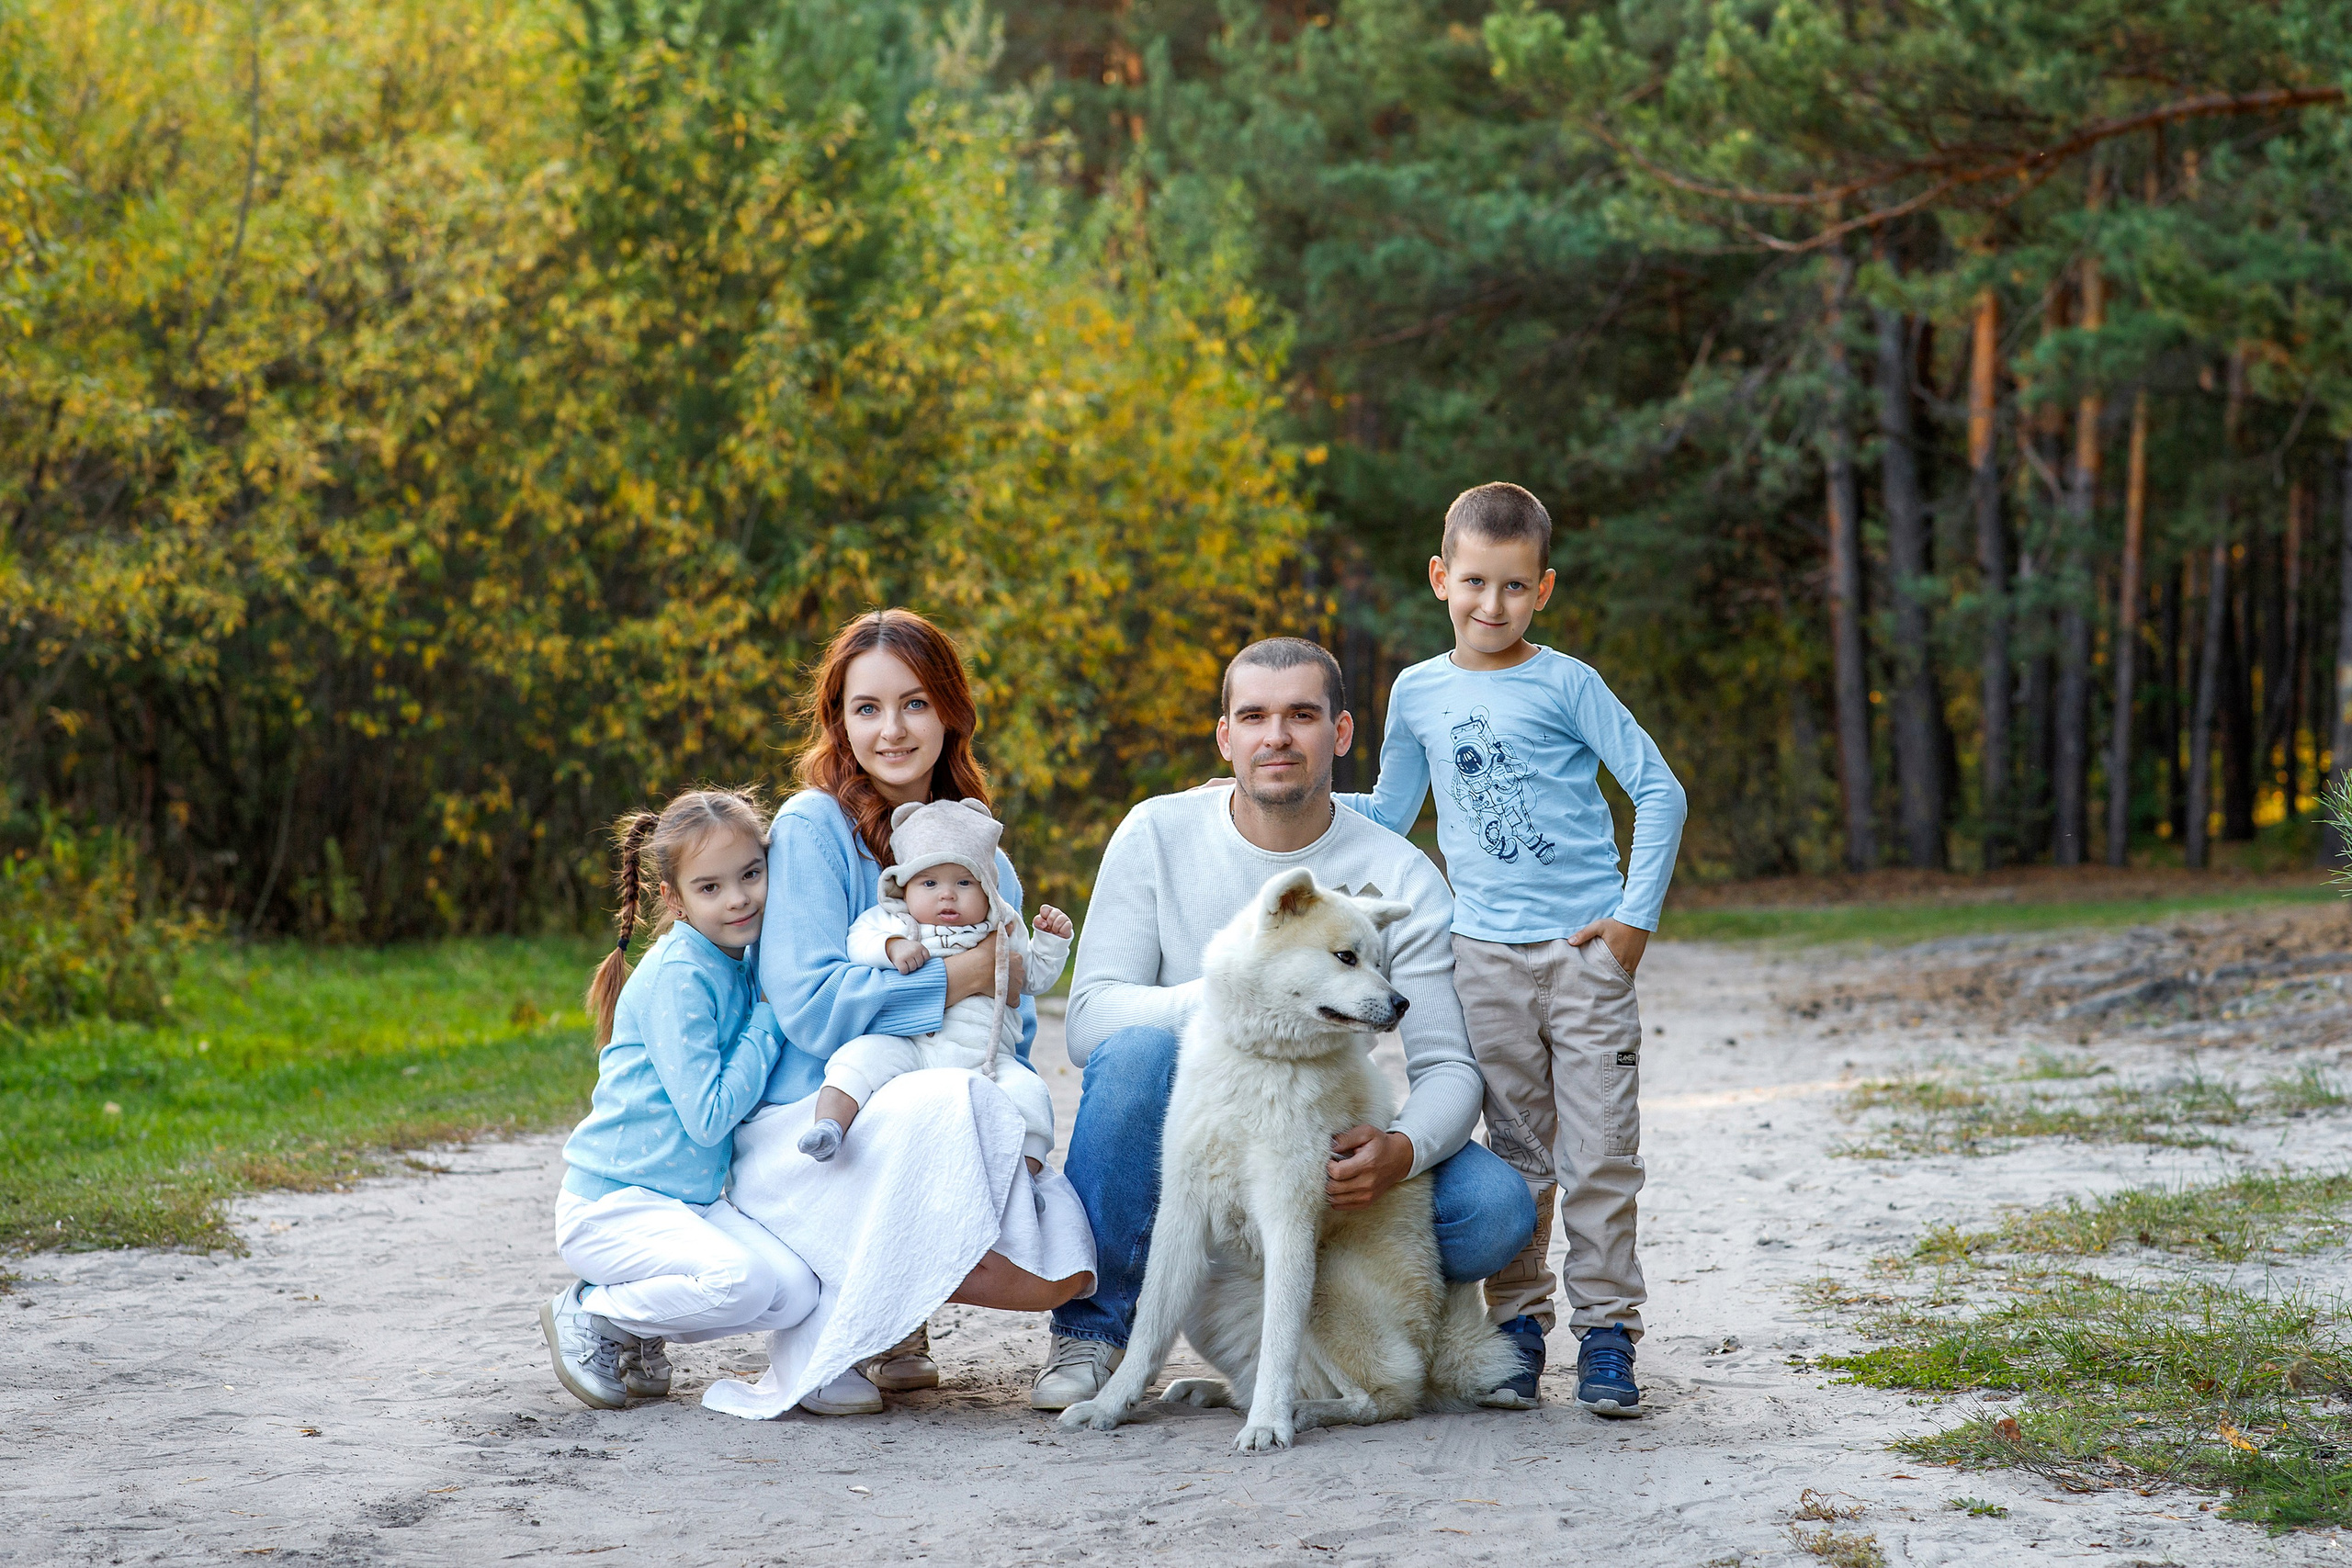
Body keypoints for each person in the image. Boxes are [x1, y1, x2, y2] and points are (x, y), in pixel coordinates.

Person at [1030, 636, 1538, 1412]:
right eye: (1255, 716)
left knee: (1495, 1207)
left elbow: (1447, 1067)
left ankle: (1364, 1338)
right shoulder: (1157, 833)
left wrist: (1398, 1152)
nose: (1277, 736)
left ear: (1339, 734)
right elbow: (1089, 1014)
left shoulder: (1398, 872)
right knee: (1132, 1054)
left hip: (1320, 1143)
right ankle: (1096, 1333)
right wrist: (1236, 996)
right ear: (1224, 736)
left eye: (1301, 715)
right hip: (1203, 1119)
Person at [1337, 481, 1688, 1416]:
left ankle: (1608, 1335)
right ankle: (1520, 1329)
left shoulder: (1567, 682)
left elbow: (1660, 791)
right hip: (1479, 960)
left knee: (1602, 1153)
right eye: (1475, 584)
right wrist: (1286, 799)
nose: (1491, 606)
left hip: (1581, 955)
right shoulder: (1417, 691)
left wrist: (1631, 922)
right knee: (1520, 1154)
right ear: (1439, 577)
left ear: (1545, 590)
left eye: (1514, 588)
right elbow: (1389, 813)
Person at [707, 609, 1094, 1420]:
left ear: (950, 710)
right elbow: (812, 1004)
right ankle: (864, 1304)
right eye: (867, 707)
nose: (891, 730)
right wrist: (963, 974)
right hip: (820, 1110)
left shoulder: (983, 851)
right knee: (931, 1100)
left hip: (942, 1095)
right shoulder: (813, 826)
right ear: (838, 720)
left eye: (915, 704)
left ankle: (899, 1297)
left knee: (1054, 1231)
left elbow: (1012, 1024)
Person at [541, 788, 818, 1411]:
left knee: (797, 1289)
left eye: (751, 873)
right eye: (711, 886)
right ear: (675, 898)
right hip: (613, 1205)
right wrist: (771, 1017)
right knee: (743, 1281)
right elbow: (710, 1115)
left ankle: (636, 1331)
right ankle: (596, 1313)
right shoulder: (681, 973)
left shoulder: (739, 959)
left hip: (683, 1204)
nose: (740, 897)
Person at [804, 796, 1074, 1168]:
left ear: (988, 891)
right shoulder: (894, 921)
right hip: (911, 1045)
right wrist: (891, 947)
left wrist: (1051, 942)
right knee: (857, 1059)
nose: (947, 894)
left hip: (986, 1057)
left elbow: (1032, 978)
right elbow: (857, 942)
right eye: (929, 882)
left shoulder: (1000, 928)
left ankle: (1025, 1173)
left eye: (964, 882)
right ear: (904, 888)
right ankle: (829, 1126)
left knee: (1030, 1094)